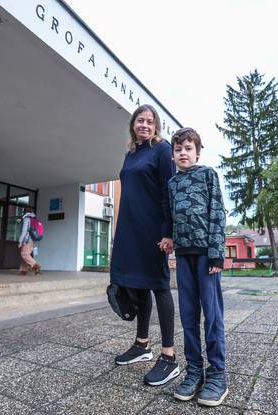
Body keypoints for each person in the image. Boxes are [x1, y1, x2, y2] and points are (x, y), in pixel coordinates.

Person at [110, 104, 179, 386]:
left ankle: (169, 356)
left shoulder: (162, 150)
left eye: (150, 122)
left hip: (153, 231)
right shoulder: (131, 154)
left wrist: (168, 231)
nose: (145, 125)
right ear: (133, 124)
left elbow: (169, 191)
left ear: (155, 126)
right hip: (129, 230)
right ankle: (141, 345)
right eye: (140, 120)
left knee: (159, 285)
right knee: (137, 286)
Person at [168, 127, 228, 406]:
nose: (183, 153)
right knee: (189, 316)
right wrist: (170, 240)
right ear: (173, 155)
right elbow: (171, 217)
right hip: (183, 256)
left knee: (212, 316)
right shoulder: (172, 184)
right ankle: (194, 371)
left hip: (207, 256)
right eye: (178, 149)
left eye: (188, 148)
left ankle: (217, 373)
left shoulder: (208, 175)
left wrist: (217, 254)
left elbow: (217, 212)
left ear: (198, 152)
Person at [18, 208, 41, 276]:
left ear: (25, 212)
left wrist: (20, 241)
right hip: (33, 240)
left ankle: (36, 265)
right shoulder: (34, 219)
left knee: (24, 254)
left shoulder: (26, 219)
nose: (23, 213)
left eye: (23, 212)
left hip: (27, 240)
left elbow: (24, 231)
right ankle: (23, 271)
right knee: (26, 254)